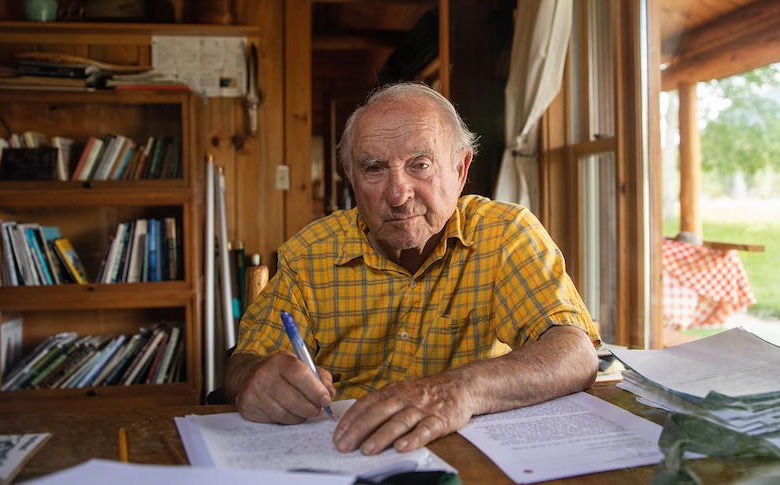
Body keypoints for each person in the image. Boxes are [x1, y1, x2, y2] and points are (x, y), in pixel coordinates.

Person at [224, 81, 600, 457]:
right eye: (374, 168)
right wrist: (255, 380)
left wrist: (458, 390)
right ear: (350, 177)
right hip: (338, 455)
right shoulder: (309, 255)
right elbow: (244, 364)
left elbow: (575, 354)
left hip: (466, 456)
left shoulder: (504, 235)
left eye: (420, 165)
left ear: (460, 169)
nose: (398, 193)